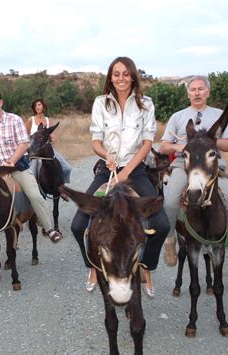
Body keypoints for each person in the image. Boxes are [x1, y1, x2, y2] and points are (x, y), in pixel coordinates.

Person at [70, 57, 170, 296]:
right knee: (78, 225)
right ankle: (94, 266)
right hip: (108, 169)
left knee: (162, 224)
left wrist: (125, 173)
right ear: (110, 77)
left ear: (133, 76)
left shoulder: (146, 104)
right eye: (116, 74)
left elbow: (147, 143)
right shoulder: (100, 103)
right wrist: (106, 155)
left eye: (126, 74)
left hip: (135, 171)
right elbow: (95, 141)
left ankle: (146, 266)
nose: (121, 78)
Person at [159, 75, 228, 266]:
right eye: (193, 89)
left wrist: (206, 143)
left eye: (201, 89)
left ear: (208, 92)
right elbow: (163, 147)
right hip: (183, 165)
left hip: (212, 168)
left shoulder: (219, 116)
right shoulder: (177, 117)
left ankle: (225, 245)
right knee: (170, 203)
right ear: (188, 93)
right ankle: (170, 241)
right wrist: (183, 148)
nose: (197, 93)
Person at [0, 87, 63, 242]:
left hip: (16, 165)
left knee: (34, 194)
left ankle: (49, 228)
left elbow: (24, 143)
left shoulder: (15, 120)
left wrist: (11, 161)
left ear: (1, 102)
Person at [26, 98, 72, 184]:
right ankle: (34, 191)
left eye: (39, 105)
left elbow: (53, 137)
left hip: (47, 150)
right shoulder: (30, 120)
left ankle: (62, 188)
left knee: (67, 168)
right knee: (32, 173)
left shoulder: (48, 120)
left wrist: (51, 137)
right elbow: (24, 137)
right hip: (35, 152)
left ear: (43, 106)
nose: (37, 107)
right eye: (35, 105)